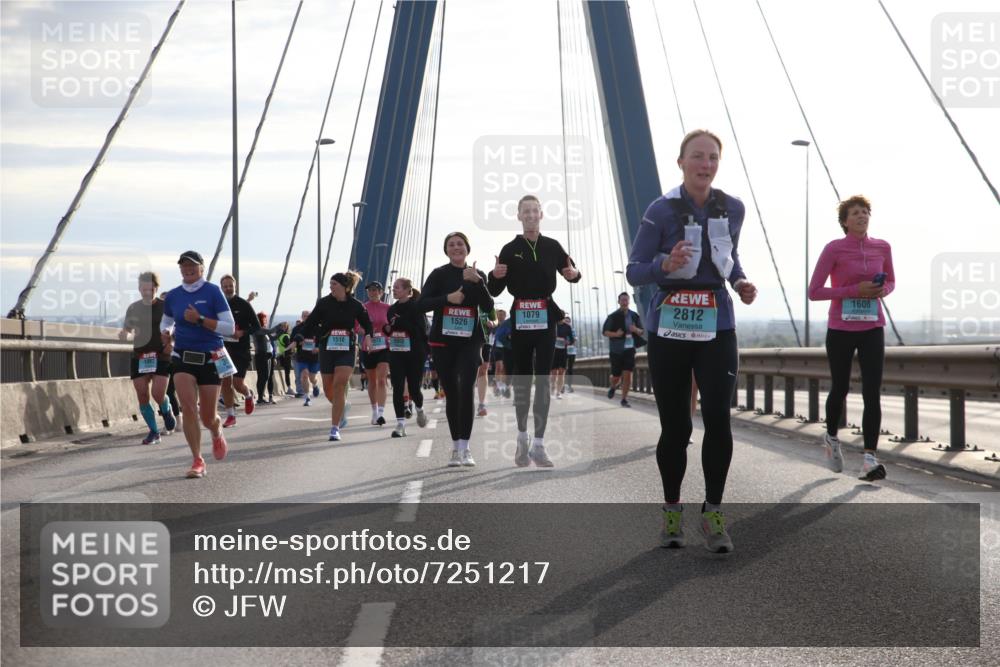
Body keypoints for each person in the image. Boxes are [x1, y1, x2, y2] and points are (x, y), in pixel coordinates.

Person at [626, 130, 757, 553]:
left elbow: (729, 258)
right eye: (698, 157)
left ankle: (714, 513)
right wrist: (665, 262)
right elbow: (634, 270)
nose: (706, 164)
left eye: (713, 158)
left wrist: (740, 282)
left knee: (718, 417)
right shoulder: (660, 211)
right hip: (669, 328)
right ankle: (671, 512)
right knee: (677, 426)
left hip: (716, 324)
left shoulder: (732, 208)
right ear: (680, 162)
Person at [487, 194, 581, 468]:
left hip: (545, 318)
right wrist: (495, 275)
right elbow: (493, 291)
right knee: (523, 380)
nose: (529, 215)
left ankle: (539, 445)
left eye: (534, 211)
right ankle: (521, 438)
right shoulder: (509, 248)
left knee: (542, 381)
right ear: (519, 216)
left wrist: (574, 274)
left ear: (541, 215)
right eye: (525, 211)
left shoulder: (552, 246)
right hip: (520, 319)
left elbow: (572, 272)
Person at [808, 194, 894, 481]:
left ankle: (869, 458)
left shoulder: (883, 247)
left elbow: (891, 280)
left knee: (872, 391)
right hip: (841, 328)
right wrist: (854, 290)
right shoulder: (834, 249)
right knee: (840, 388)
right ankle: (832, 439)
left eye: (865, 211)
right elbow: (815, 291)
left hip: (872, 327)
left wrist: (883, 290)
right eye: (855, 212)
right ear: (845, 221)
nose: (862, 216)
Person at [420, 232, 494, 467]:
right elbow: (421, 304)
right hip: (443, 342)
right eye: (451, 245)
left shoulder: (477, 274)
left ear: (467, 248)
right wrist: (447, 298)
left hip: (470, 340)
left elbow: (489, 306)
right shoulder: (439, 274)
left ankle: (466, 447)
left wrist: (479, 282)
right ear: (446, 250)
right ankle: (455, 448)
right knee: (452, 392)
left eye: (460, 244)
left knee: (466, 388)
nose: (456, 248)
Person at [159, 250, 234, 478]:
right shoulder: (173, 296)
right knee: (189, 408)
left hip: (210, 357)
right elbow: (167, 320)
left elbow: (229, 328)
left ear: (201, 267)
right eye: (183, 266)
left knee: (207, 417)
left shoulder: (212, 292)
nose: (188, 269)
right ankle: (197, 460)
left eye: (192, 265)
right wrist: (166, 332)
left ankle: (216, 429)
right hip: (182, 356)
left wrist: (200, 320)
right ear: (180, 269)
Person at [295, 272, 373, 441]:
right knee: (329, 390)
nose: (331, 287)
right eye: (330, 284)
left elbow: (368, 324)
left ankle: (334, 428)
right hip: (327, 349)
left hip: (347, 349)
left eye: (334, 284)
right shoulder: (324, 303)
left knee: (339, 385)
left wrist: (368, 335)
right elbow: (310, 323)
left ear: (345, 287)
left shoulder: (356, 305)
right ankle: (344, 406)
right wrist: (299, 337)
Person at [120, 271, 177, 444]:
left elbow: (177, 326)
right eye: (143, 289)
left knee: (158, 394)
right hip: (140, 355)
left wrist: (172, 343)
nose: (147, 292)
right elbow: (128, 331)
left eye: (150, 289)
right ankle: (154, 431)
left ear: (156, 288)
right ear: (139, 289)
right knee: (143, 395)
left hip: (161, 355)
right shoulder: (133, 308)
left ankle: (166, 410)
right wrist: (124, 335)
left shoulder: (165, 306)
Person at [385, 278, 430, 437]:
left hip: (415, 352)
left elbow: (420, 331)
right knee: (397, 387)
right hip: (397, 352)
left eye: (397, 287)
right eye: (394, 288)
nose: (393, 290)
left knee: (413, 388)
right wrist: (388, 328)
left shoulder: (417, 307)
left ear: (406, 290)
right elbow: (390, 327)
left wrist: (400, 322)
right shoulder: (392, 309)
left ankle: (420, 409)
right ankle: (400, 424)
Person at [219, 274, 260, 427]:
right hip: (223, 349)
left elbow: (256, 327)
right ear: (221, 288)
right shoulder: (218, 305)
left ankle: (248, 394)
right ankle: (231, 415)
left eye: (231, 286)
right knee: (225, 382)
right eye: (225, 286)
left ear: (235, 287)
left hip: (240, 350)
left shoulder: (243, 304)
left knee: (237, 384)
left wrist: (242, 332)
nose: (228, 288)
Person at [603, 292, 646, 408]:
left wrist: (635, 329)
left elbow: (642, 331)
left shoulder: (634, 315)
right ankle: (613, 386)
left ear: (629, 301)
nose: (625, 302)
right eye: (622, 300)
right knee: (616, 376)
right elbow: (605, 332)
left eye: (626, 300)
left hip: (629, 349)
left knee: (628, 374)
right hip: (616, 350)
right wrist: (616, 334)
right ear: (619, 301)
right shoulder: (612, 316)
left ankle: (624, 399)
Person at [361, 282, 391, 426]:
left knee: (381, 379)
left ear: (381, 292)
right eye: (369, 290)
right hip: (368, 348)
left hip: (384, 347)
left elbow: (392, 325)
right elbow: (356, 327)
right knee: (371, 381)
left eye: (374, 290)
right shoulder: (363, 308)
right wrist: (368, 333)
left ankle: (380, 413)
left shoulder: (387, 308)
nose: (372, 293)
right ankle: (374, 410)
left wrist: (387, 331)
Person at [290, 310, 321, 404]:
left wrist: (318, 348)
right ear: (302, 317)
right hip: (302, 356)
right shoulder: (297, 329)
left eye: (308, 316)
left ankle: (315, 385)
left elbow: (323, 341)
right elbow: (292, 341)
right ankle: (307, 397)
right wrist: (298, 342)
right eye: (304, 316)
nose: (306, 317)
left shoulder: (317, 328)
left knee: (312, 378)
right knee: (304, 376)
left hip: (314, 357)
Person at [252, 312, 280, 405]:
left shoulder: (263, 330)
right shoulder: (258, 329)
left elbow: (273, 338)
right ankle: (260, 398)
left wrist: (282, 331)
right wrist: (280, 325)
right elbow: (271, 331)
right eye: (264, 318)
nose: (266, 320)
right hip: (261, 355)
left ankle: (264, 397)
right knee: (262, 377)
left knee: (267, 376)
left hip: (268, 355)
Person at [476, 307, 497, 416]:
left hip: (485, 339)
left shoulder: (488, 301)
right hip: (468, 339)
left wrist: (493, 323)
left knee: (483, 369)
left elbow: (495, 319)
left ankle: (481, 404)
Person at [550, 314, 574, 399]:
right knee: (554, 373)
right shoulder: (552, 325)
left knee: (561, 372)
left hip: (563, 352)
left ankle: (558, 392)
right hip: (553, 352)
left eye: (561, 316)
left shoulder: (567, 327)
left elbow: (571, 340)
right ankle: (552, 386)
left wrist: (567, 342)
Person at [492, 310, 511, 397]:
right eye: (499, 315)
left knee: (504, 369)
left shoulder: (507, 325)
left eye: (502, 315)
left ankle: (504, 386)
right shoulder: (494, 325)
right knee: (498, 367)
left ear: (505, 316)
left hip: (506, 349)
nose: (500, 316)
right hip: (496, 348)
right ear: (497, 316)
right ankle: (498, 387)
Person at [275, 322, 294, 394]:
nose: (283, 327)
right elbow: (288, 347)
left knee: (287, 372)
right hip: (285, 356)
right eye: (282, 326)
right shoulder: (285, 336)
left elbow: (284, 347)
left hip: (283, 356)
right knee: (287, 372)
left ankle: (289, 388)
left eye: (284, 326)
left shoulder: (282, 336)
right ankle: (289, 388)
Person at [563, 315, 577, 393]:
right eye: (566, 321)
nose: (567, 322)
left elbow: (575, 339)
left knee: (570, 369)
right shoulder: (562, 329)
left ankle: (569, 386)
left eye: (568, 321)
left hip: (572, 352)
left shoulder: (572, 329)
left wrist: (570, 342)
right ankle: (562, 386)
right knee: (563, 369)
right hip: (564, 351)